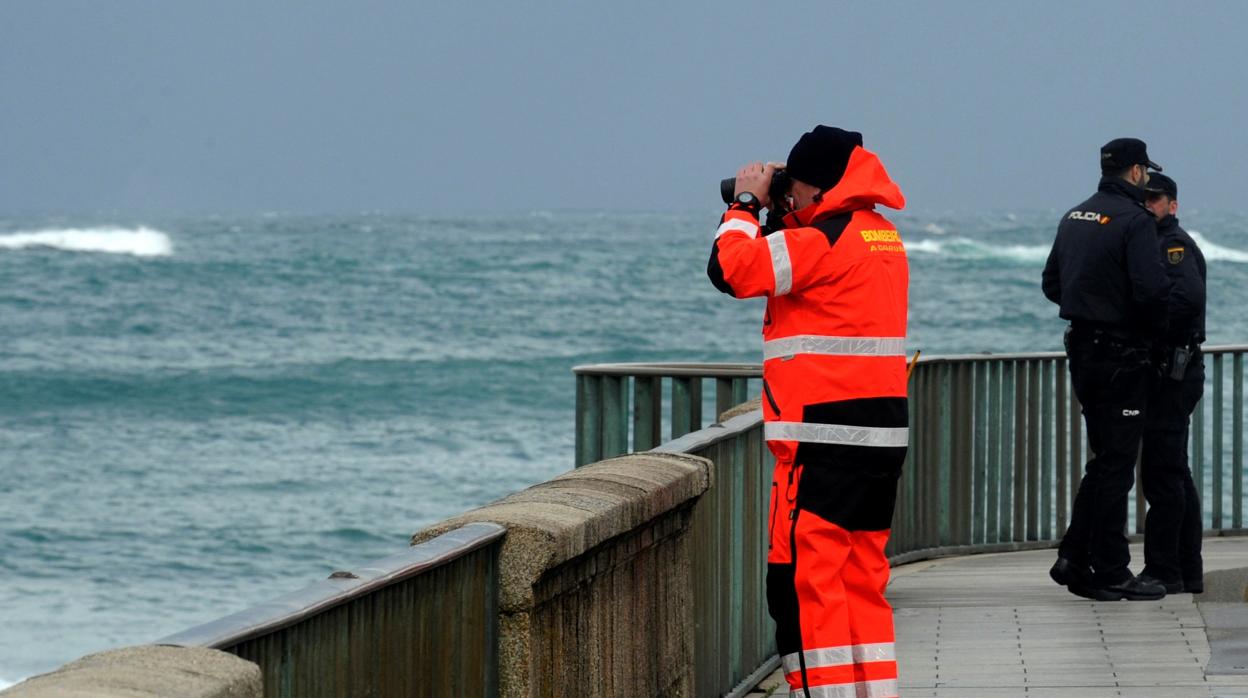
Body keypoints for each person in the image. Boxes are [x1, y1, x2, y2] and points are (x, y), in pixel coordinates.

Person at [708, 125, 908, 697]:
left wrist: (746, 204)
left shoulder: (821, 242)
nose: (786, 197)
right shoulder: (880, 236)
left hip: (820, 446)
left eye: (791, 187)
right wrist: (785, 209)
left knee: (803, 590)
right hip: (878, 441)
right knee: (859, 585)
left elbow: (734, 270)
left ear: (813, 186)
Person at [1042, 137, 1172, 601]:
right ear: (1137, 172)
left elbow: (1052, 283)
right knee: (1116, 465)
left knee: (1104, 459)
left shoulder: (1074, 215)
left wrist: (1090, 308)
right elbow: (1153, 291)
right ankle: (1109, 568)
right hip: (1123, 354)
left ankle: (1075, 556)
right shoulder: (1135, 221)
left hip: (1083, 350)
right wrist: (1146, 332)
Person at [1139, 172, 1207, 594]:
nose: (1149, 205)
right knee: (1173, 470)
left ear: (1172, 204)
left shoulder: (1174, 247)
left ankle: (1165, 569)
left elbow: (1186, 302)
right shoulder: (1149, 244)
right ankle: (1186, 569)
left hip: (1174, 372)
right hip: (1168, 371)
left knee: (1163, 472)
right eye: (1144, 198)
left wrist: (1143, 325)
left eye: (1157, 199)